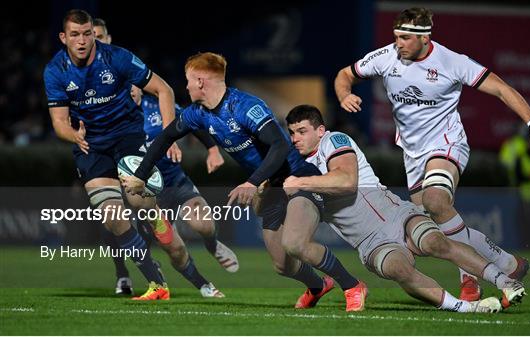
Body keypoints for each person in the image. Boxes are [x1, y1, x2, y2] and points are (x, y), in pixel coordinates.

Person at [122, 52, 368, 312]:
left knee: (296, 244)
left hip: (298, 179)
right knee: (282, 265)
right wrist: (140, 175)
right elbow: (165, 138)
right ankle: (318, 286)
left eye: (188, 80)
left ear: (201, 81)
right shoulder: (198, 113)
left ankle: (352, 286)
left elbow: (279, 147)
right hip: (270, 187)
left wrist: (252, 182)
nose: (186, 86)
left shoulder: (245, 106)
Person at [334, 7, 530, 301]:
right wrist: (344, 95)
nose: (398, 43)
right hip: (412, 155)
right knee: (435, 226)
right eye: (396, 36)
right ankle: (507, 262)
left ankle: (473, 279)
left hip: (447, 144)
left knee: (436, 200)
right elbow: (344, 74)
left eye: (405, 37)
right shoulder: (386, 57)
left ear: (425, 38)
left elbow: (502, 90)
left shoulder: (451, 61)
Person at [284, 104, 526, 312]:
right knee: (398, 269)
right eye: (292, 132)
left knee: (435, 242)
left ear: (320, 131)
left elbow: (347, 181)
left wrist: (299, 183)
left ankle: (505, 281)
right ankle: (465, 307)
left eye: (302, 131)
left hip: (396, 215)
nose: (295, 138)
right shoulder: (294, 166)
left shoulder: (334, 141)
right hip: (370, 243)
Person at [92, 18, 238, 297]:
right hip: (146, 193)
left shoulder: (157, 104)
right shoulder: (111, 120)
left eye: (133, 85)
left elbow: (191, 119)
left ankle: (213, 245)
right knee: (171, 245)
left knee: (203, 223)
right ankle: (202, 285)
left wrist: (211, 148)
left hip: (173, 179)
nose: (131, 90)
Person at [44, 9, 181, 300]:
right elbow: (58, 122)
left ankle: (153, 213)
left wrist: (169, 136)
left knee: (135, 197)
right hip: (89, 145)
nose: (81, 41)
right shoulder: (55, 71)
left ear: (94, 34)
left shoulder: (117, 57)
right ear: (63, 37)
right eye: (74, 35)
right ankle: (157, 285)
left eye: (86, 34)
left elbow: (164, 89)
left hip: (127, 135)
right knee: (112, 217)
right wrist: (74, 134)